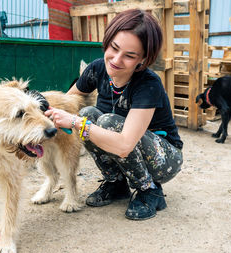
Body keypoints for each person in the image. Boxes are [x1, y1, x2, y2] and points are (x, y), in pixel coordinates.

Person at [45, 9, 183, 220]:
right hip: (125, 149)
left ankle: (149, 190)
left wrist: (74, 121)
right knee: (88, 114)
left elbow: (124, 144)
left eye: (129, 56)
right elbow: (68, 104)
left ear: (143, 59)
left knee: (104, 122)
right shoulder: (97, 69)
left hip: (164, 159)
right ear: (107, 41)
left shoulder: (148, 84)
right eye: (114, 48)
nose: (116, 60)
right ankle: (116, 183)